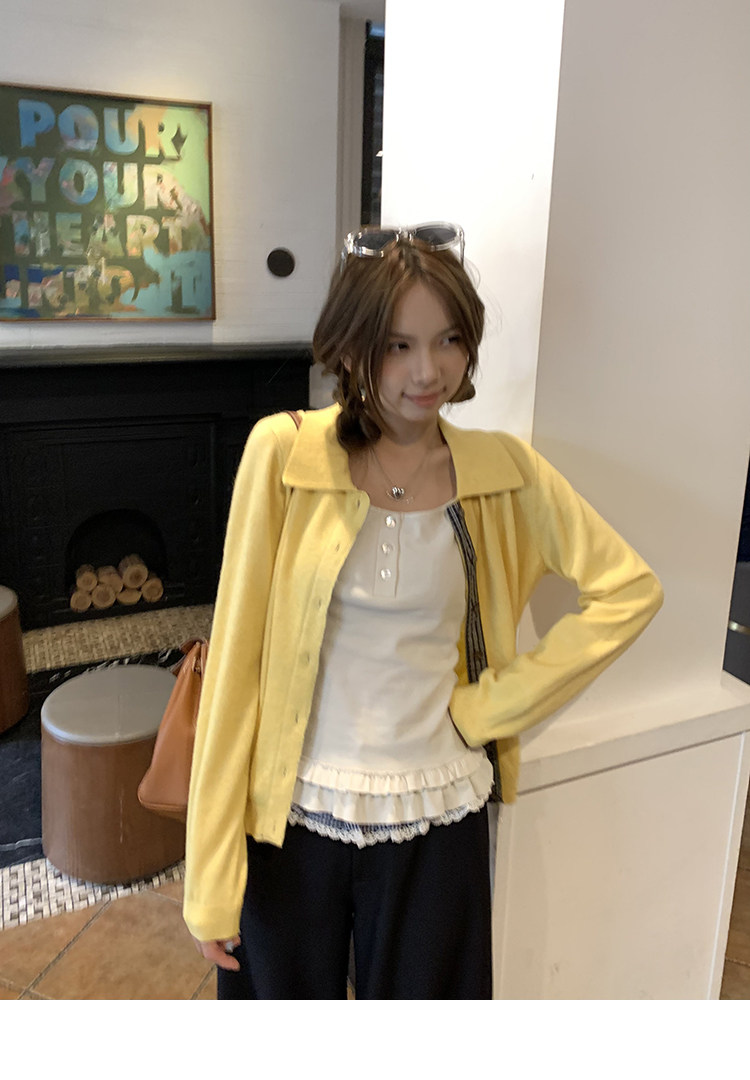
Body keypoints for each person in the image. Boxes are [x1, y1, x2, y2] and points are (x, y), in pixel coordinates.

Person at [183, 223, 663, 999]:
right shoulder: (285, 455)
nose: (428, 370)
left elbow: (630, 589)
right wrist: (209, 875)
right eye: (397, 346)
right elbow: (235, 665)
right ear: (350, 347)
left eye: (448, 341)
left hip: (437, 815)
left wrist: (489, 708)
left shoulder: (503, 473)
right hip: (294, 815)